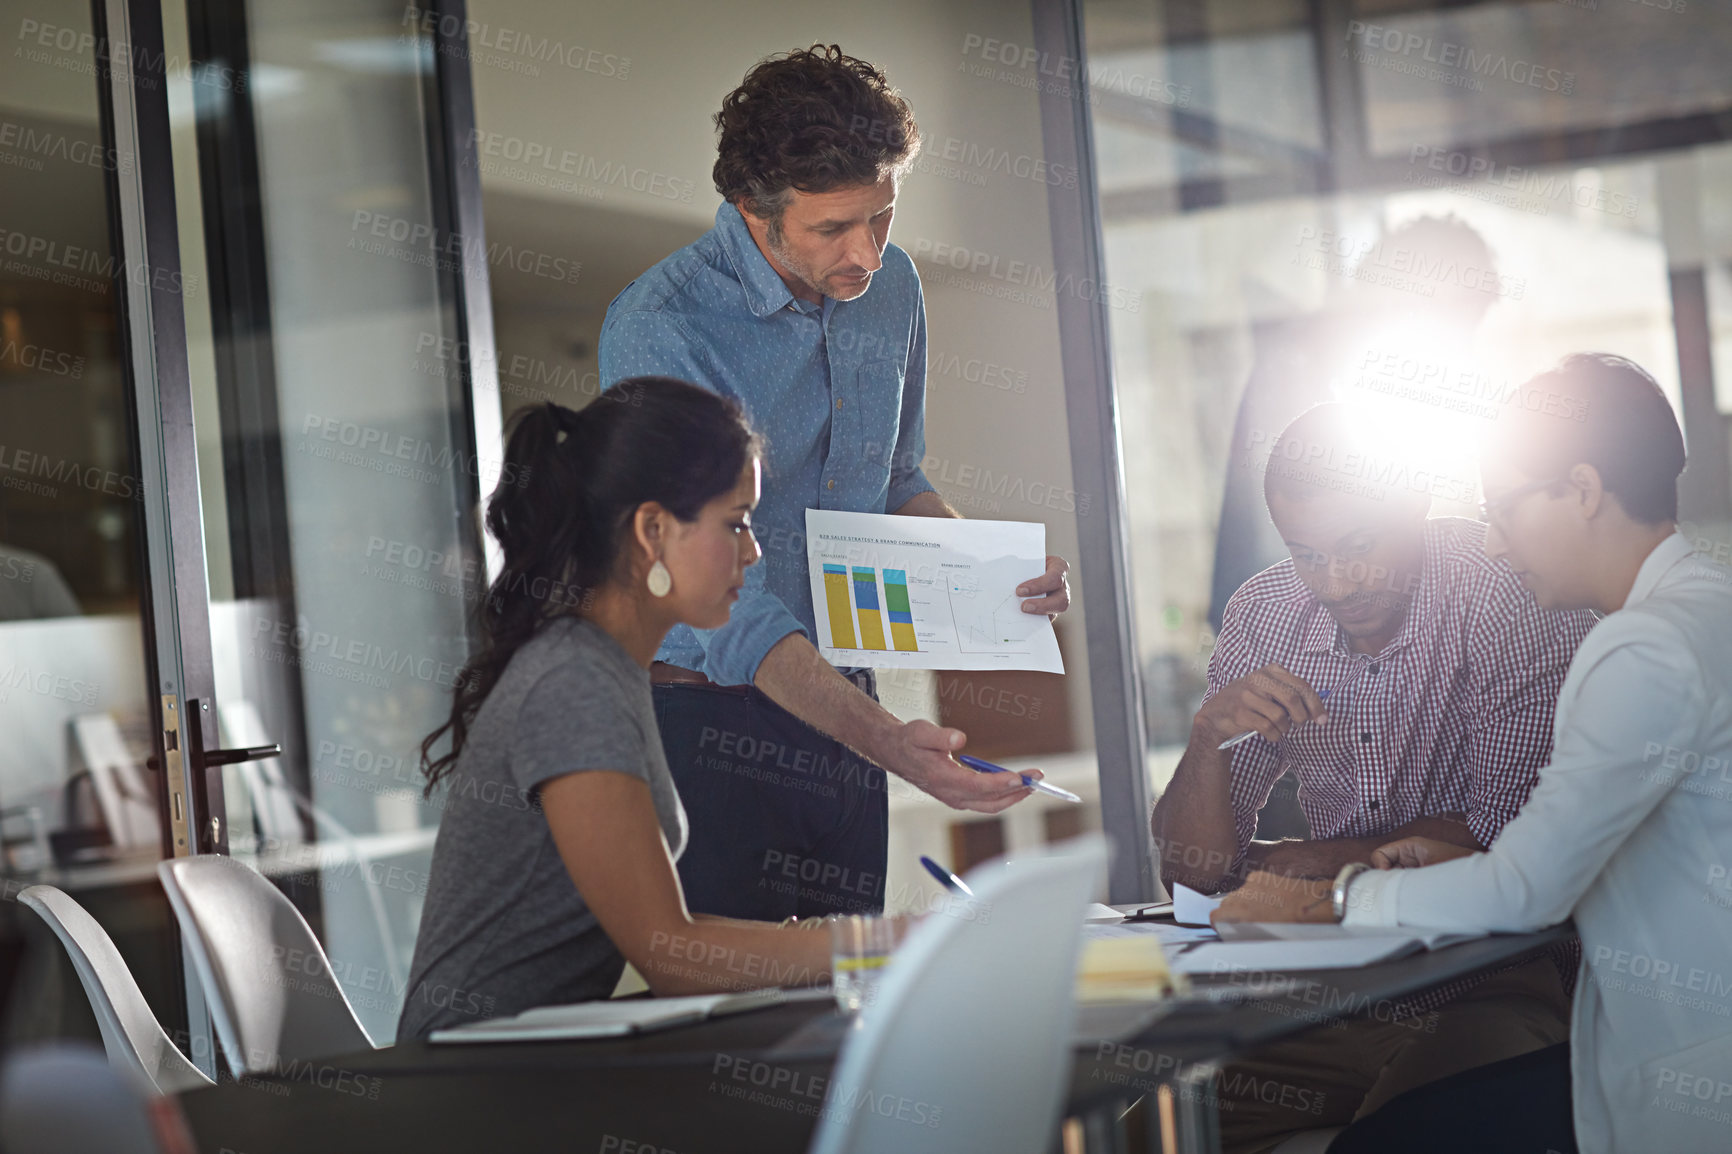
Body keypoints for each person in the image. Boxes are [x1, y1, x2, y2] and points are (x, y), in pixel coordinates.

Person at [598, 45, 1071, 922]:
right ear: (753, 213)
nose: (868, 253)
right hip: (707, 717)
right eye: (831, 230)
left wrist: (992, 573)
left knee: (846, 997)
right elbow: (726, 606)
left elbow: (894, 476)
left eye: (883, 217)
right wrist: (893, 745)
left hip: (848, 695)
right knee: (740, 1024)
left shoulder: (893, 290)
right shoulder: (659, 328)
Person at [1217, 353, 1732, 1154]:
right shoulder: (1707, 610)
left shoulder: (1642, 648)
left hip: (1685, 1072)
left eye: (1505, 510)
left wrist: (1333, 900)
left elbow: (1525, 891)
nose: (1492, 542)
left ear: (1585, 491)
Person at [1153, 401, 1598, 1152]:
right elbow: (1194, 877)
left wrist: (1321, 861)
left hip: (1489, 981)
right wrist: (1205, 739)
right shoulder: (1264, 613)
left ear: (1412, 504)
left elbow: (1514, 843)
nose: (1334, 581)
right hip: (1325, 994)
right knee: (1150, 1131)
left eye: (1357, 545)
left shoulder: (1505, 589)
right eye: (1306, 553)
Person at [397, 380, 831, 1041]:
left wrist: (824, 947)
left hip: (533, 1062)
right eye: (736, 524)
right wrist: (878, 943)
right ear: (653, 530)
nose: (754, 551)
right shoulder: (573, 679)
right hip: (475, 1087)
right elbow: (671, 956)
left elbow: (669, 939)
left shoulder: (604, 665)